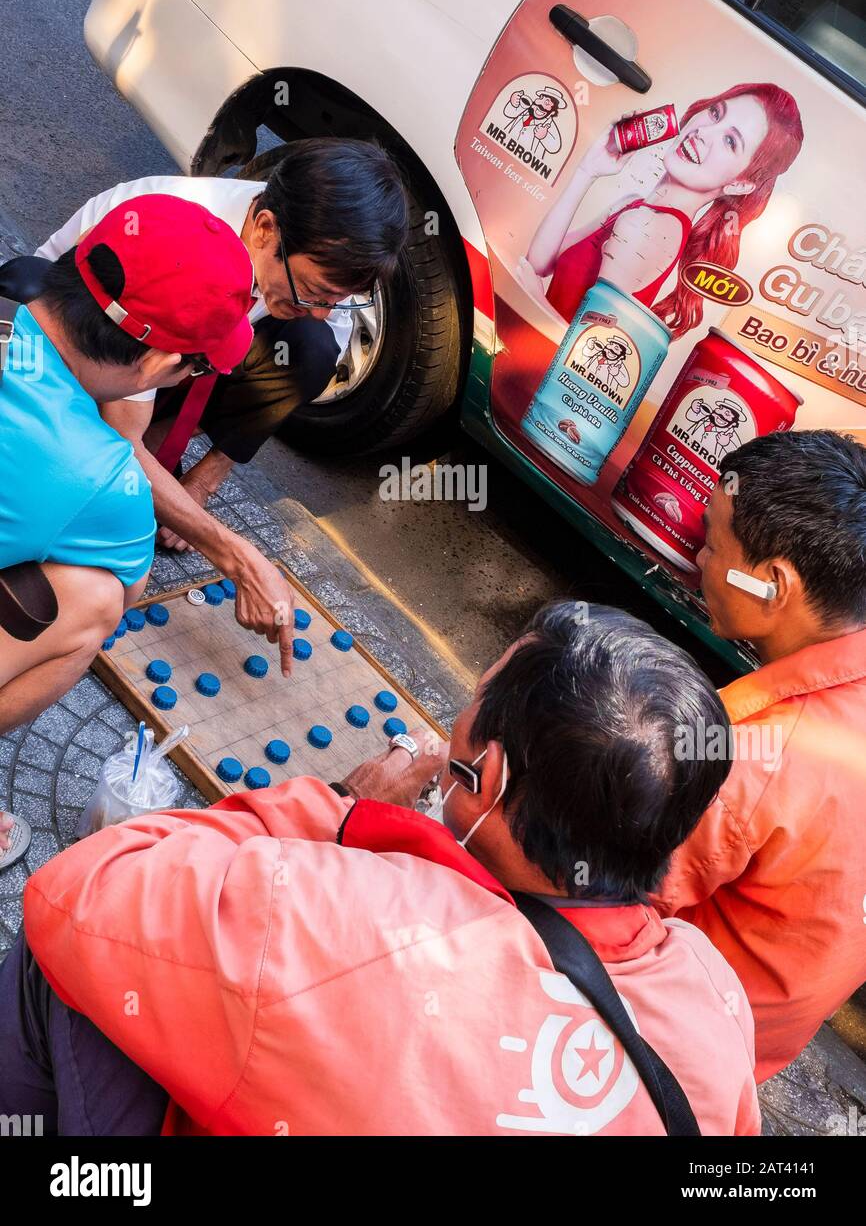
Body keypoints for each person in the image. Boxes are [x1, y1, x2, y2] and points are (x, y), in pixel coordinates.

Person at [3, 603, 760, 1135]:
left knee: (56, 966)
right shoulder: (715, 1002)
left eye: (472, 702)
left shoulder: (340, 913)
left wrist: (340, 811)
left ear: (485, 779)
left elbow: (79, 886)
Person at [0, 194, 263, 861]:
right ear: (151, 367)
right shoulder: (100, 475)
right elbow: (127, 577)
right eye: (197, 364)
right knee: (92, 599)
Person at [33, 138, 409, 564]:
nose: (322, 312)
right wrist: (231, 553)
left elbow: (321, 340)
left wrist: (196, 491)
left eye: (335, 300)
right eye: (314, 292)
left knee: (311, 347)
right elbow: (123, 432)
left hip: (139, 372)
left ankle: (161, 460)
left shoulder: (311, 272)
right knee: (110, 546)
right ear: (266, 229)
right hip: (66, 360)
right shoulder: (173, 236)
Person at [654, 430, 866, 1082]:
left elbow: (596, 890)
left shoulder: (749, 756)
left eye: (715, 545)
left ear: (774, 585)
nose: (697, 555)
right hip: (750, 1057)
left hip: (655, 1046)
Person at [519, 82, 803, 337]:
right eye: (716, 113)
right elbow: (540, 264)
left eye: (730, 141)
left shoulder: (650, 226)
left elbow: (586, 352)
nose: (703, 133)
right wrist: (587, 171)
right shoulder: (636, 208)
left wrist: (535, 297)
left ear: (740, 184)